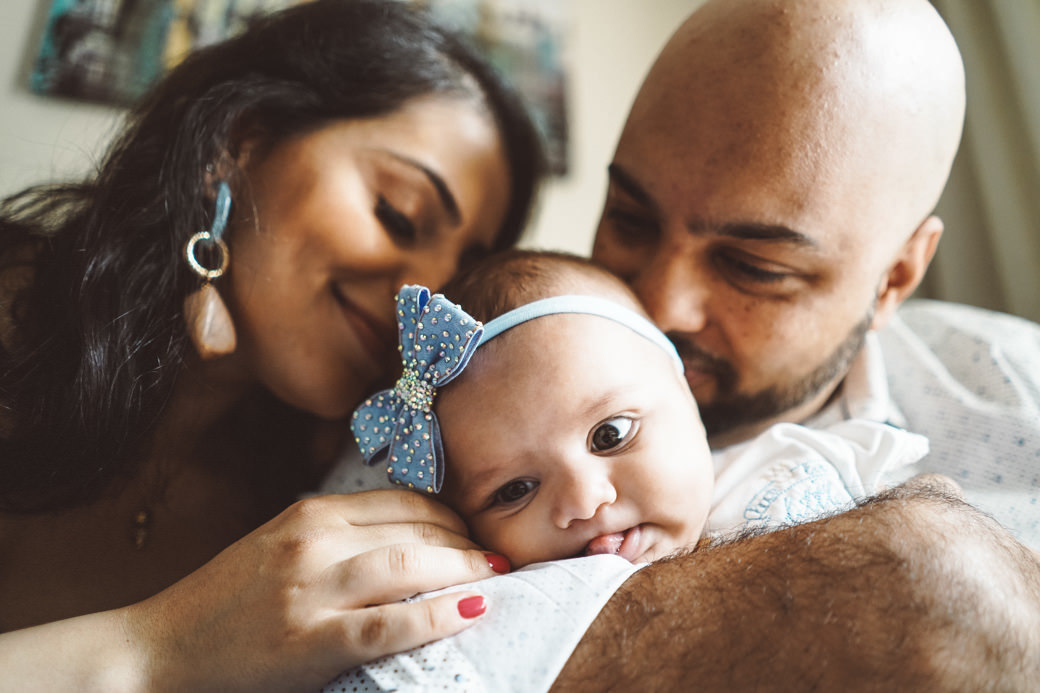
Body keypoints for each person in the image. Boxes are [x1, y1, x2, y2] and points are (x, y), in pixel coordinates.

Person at [321, 0, 1040, 690]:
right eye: (630, 218)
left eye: (753, 266)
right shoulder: (456, 412)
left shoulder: (1016, 406)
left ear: (895, 278)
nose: (662, 305)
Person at [0, 0, 545, 689]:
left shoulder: (312, 489)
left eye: (460, 276)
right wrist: (159, 648)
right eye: (399, 214)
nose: (426, 299)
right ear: (239, 143)